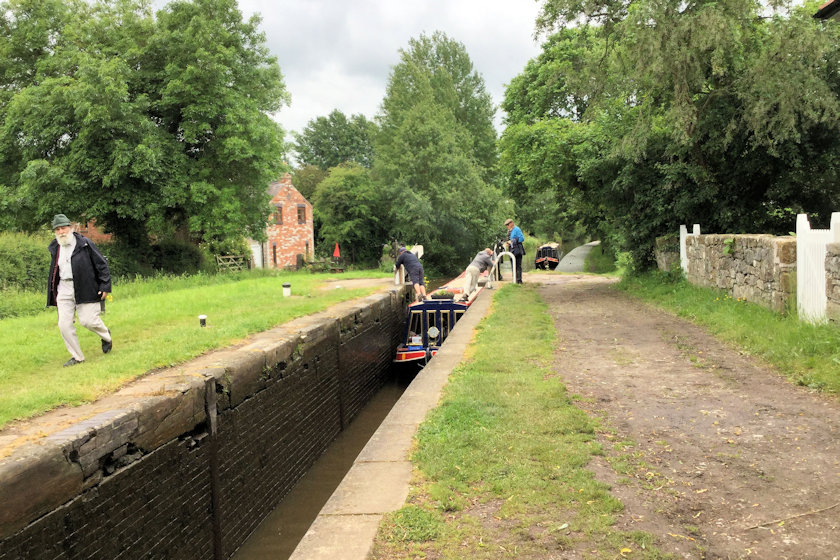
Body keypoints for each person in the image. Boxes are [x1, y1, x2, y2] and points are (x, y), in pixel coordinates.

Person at [46, 214, 113, 367]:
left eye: (63, 228)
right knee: (64, 324)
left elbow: (101, 265)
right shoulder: (55, 247)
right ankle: (77, 357)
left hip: (85, 286)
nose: (61, 232)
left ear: (70, 228)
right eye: (58, 229)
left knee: (88, 321)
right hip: (63, 287)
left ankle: (106, 335)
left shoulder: (84, 244)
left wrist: (104, 286)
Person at [505, 218, 525, 284]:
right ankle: (514, 280)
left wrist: (513, 241)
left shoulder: (517, 229)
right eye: (506, 225)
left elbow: (522, 238)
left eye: (507, 224)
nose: (507, 226)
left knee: (518, 265)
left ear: (511, 223)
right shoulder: (509, 231)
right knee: (513, 265)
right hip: (511, 250)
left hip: (517, 249)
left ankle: (519, 280)